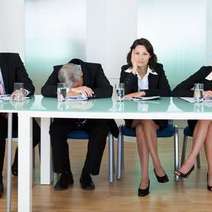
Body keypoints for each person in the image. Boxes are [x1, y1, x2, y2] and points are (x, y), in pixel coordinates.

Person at [41, 58, 118, 190]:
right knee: (56, 130)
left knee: (101, 129)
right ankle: (64, 174)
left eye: (77, 85)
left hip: (92, 117)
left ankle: (86, 174)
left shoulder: (95, 69)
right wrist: (69, 91)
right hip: (67, 116)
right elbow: (45, 90)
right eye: (71, 87)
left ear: (82, 75)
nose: (74, 88)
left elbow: (107, 91)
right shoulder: (58, 70)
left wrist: (86, 91)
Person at [120, 38, 171, 197]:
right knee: (142, 120)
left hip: (155, 118)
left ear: (150, 56)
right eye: (137, 53)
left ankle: (144, 178)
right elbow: (124, 93)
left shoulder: (158, 69)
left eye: (144, 53)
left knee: (144, 125)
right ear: (132, 54)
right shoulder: (126, 70)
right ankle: (158, 166)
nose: (140, 57)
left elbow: (166, 92)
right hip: (133, 117)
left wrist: (142, 93)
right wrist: (133, 69)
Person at [0, 52, 40, 198]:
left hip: (13, 111)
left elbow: (29, 85)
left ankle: (17, 164)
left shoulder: (12, 59)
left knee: (35, 133)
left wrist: (21, 91)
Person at [172, 66, 212, 191]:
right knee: (207, 119)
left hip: (203, 123)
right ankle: (211, 173)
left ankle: (190, 161)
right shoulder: (206, 71)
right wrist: (201, 93)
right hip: (200, 121)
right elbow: (177, 91)